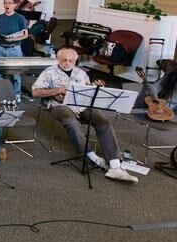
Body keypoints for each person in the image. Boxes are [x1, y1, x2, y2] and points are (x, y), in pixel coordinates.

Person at [31, 47, 138, 183]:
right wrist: (56, 90)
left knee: (103, 123)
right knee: (71, 123)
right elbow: (35, 92)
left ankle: (115, 166)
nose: (68, 63)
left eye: (71, 60)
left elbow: (89, 92)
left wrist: (97, 88)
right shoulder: (49, 72)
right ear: (58, 59)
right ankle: (93, 157)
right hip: (60, 105)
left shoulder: (81, 73)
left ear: (75, 61)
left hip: (82, 106)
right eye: (64, 60)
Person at [0, 0, 29, 99]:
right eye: (5, 3)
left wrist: (13, 39)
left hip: (14, 48)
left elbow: (25, 35)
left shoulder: (20, 18)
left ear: (15, 5)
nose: (7, 5)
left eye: (10, 3)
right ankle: (1, 93)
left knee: (15, 73)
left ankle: (16, 94)